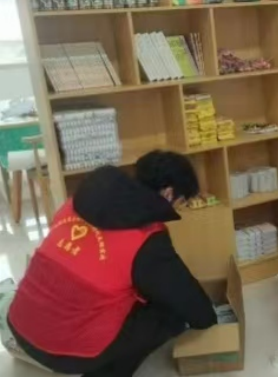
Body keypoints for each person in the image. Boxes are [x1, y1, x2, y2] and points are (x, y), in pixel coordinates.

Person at [7, 151, 217, 377]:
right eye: (181, 203)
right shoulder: (146, 237)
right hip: (66, 352)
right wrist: (208, 319)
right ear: (168, 194)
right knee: (170, 314)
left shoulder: (76, 202)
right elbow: (185, 298)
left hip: (21, 324)